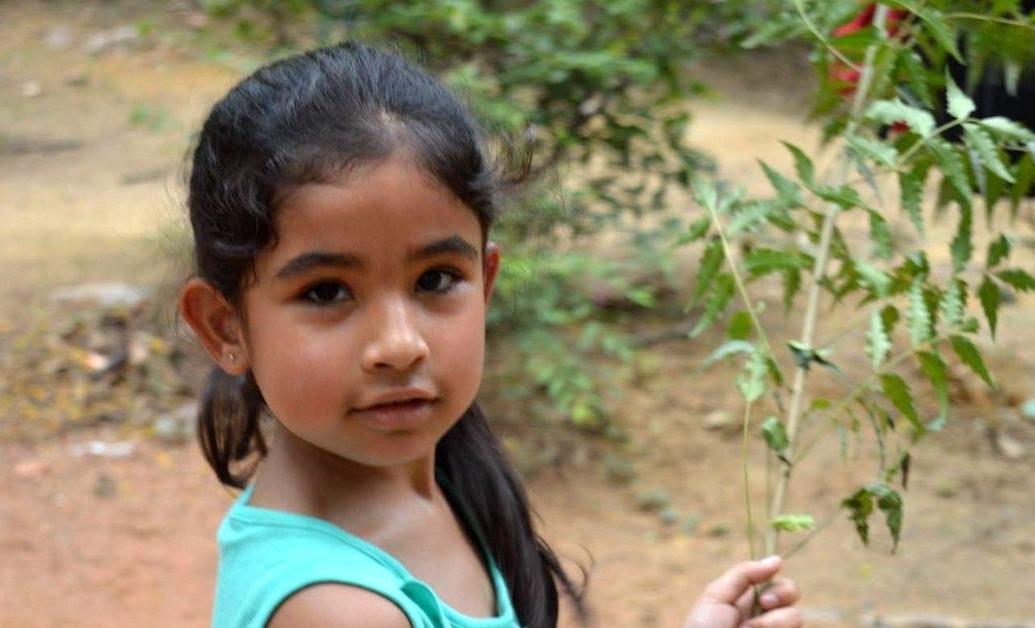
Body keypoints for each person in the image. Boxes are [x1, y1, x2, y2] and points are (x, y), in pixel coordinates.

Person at [177, 41, 804, 628]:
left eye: (437, 279)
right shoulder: (335, 608)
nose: (400, 344)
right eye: (326, 292)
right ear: (224, 326)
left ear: (487, 280)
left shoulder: (446, 476)